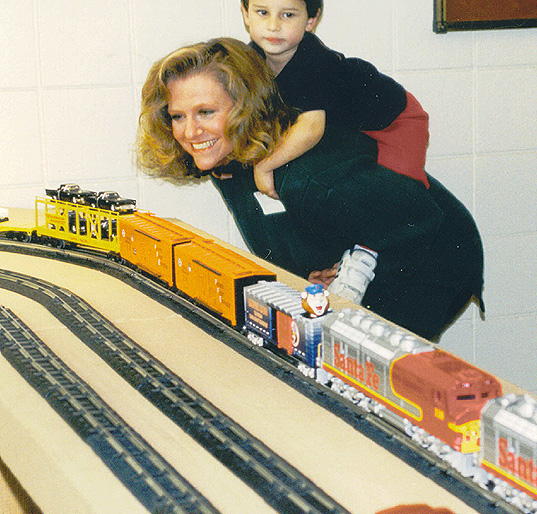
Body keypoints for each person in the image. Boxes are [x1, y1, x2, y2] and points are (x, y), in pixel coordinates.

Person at [137, 38, 483, 341]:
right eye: (177, 116)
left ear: (245, 108)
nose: (191, 131)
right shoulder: (230, 157)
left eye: (206, 112)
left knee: (359, 367)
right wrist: (310, 275)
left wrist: (353, 284)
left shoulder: (310, 176)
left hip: (436, 260)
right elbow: (275, 233)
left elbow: (418, 220)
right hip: (387, 239)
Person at [240, 0, 430, 198]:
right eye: (262, 12)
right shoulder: (250, 59)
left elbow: (311, 129)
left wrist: (264, 167)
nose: (273, 26)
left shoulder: (314, 61)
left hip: (396, 122)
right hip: (348, 126)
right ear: (246, 14)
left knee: (399, 192)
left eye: (288, 15)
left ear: (311, 20)